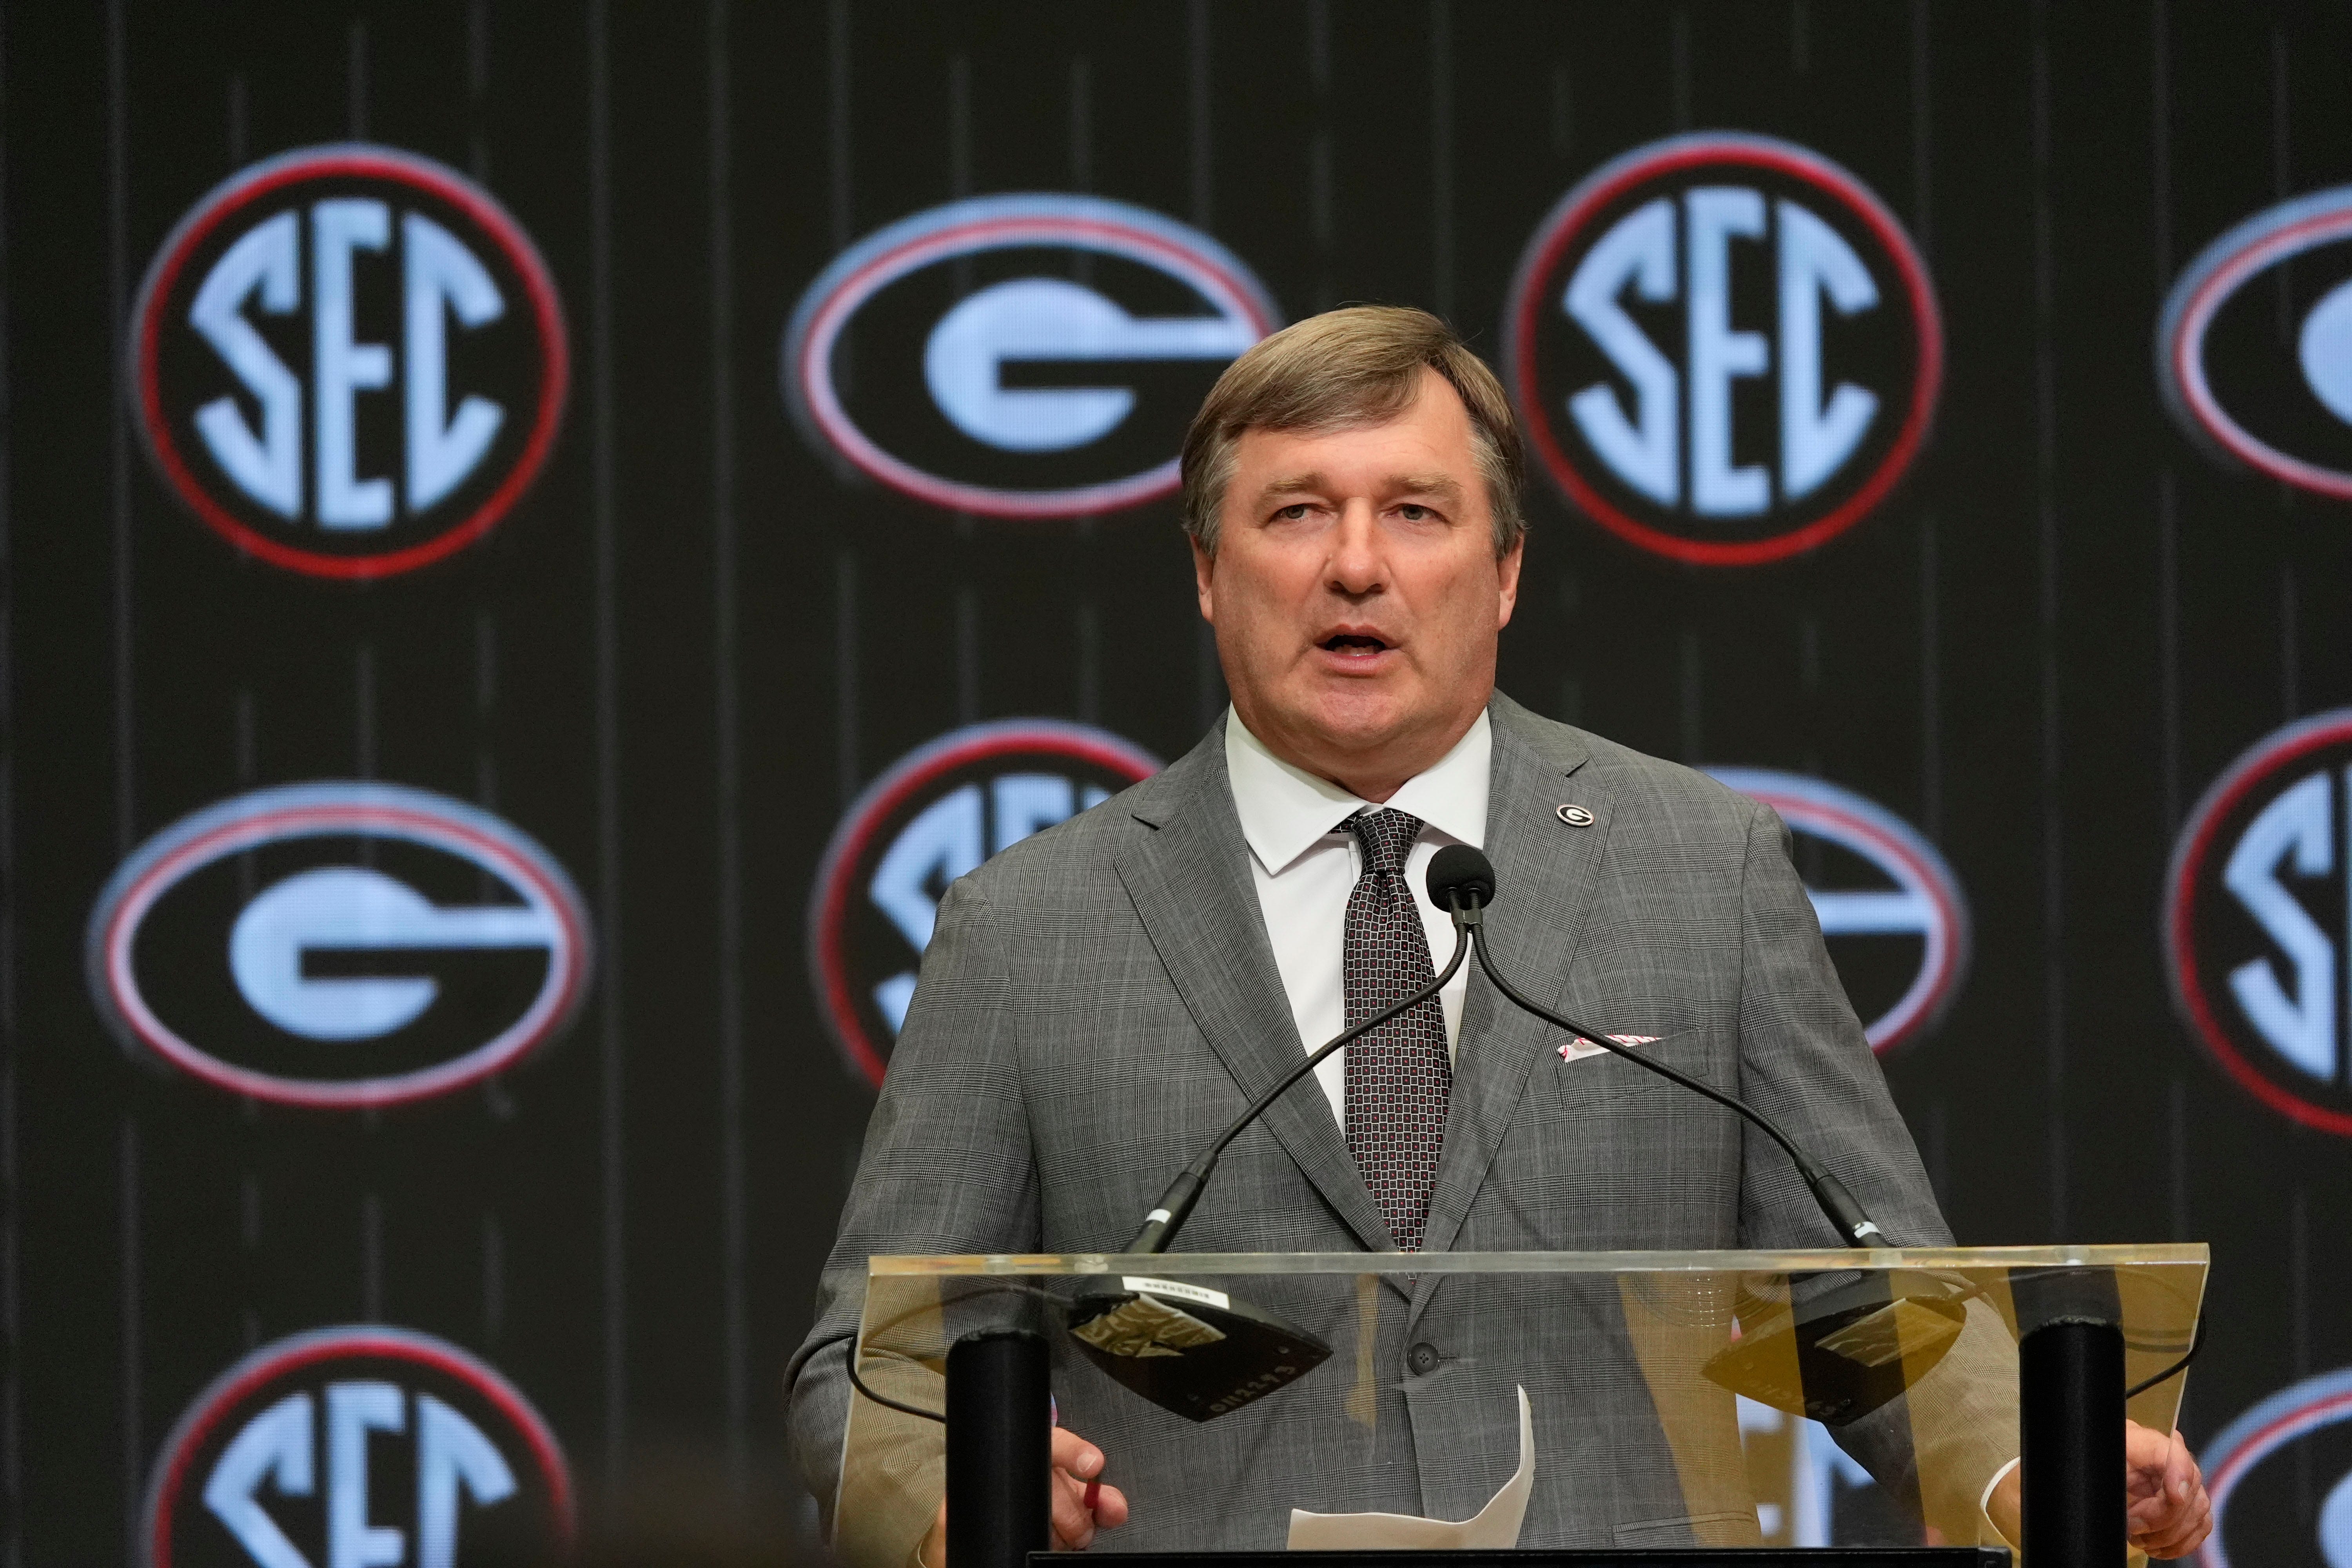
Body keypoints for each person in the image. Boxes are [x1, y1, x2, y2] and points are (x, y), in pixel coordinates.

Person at [785, 307, 2212, 1561]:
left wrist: (2037, 1472)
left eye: (1415, 511)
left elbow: (1870, 1290)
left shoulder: (1703, 868)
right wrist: (940, 1494)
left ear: (1508, 570)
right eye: (1295, 514)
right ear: (1209, 572)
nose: (1356, 566)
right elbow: (867, 1363)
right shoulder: (1033, 925)